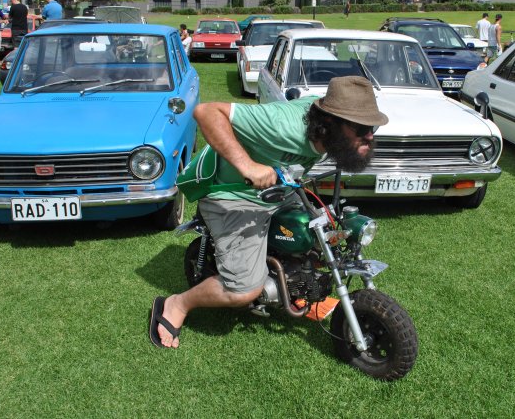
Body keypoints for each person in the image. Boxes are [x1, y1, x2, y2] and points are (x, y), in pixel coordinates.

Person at [149, 76, 389, 349]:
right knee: (244, 290)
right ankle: (178, 304)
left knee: (315, 234)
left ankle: (294, 283)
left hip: (282, 190)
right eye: (360, 128)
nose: (369, 135)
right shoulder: (282, 125)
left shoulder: (328, 131)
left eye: (371, 127)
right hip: (234, 197)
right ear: (330, 123)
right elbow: (206, 112)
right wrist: (248, 167)